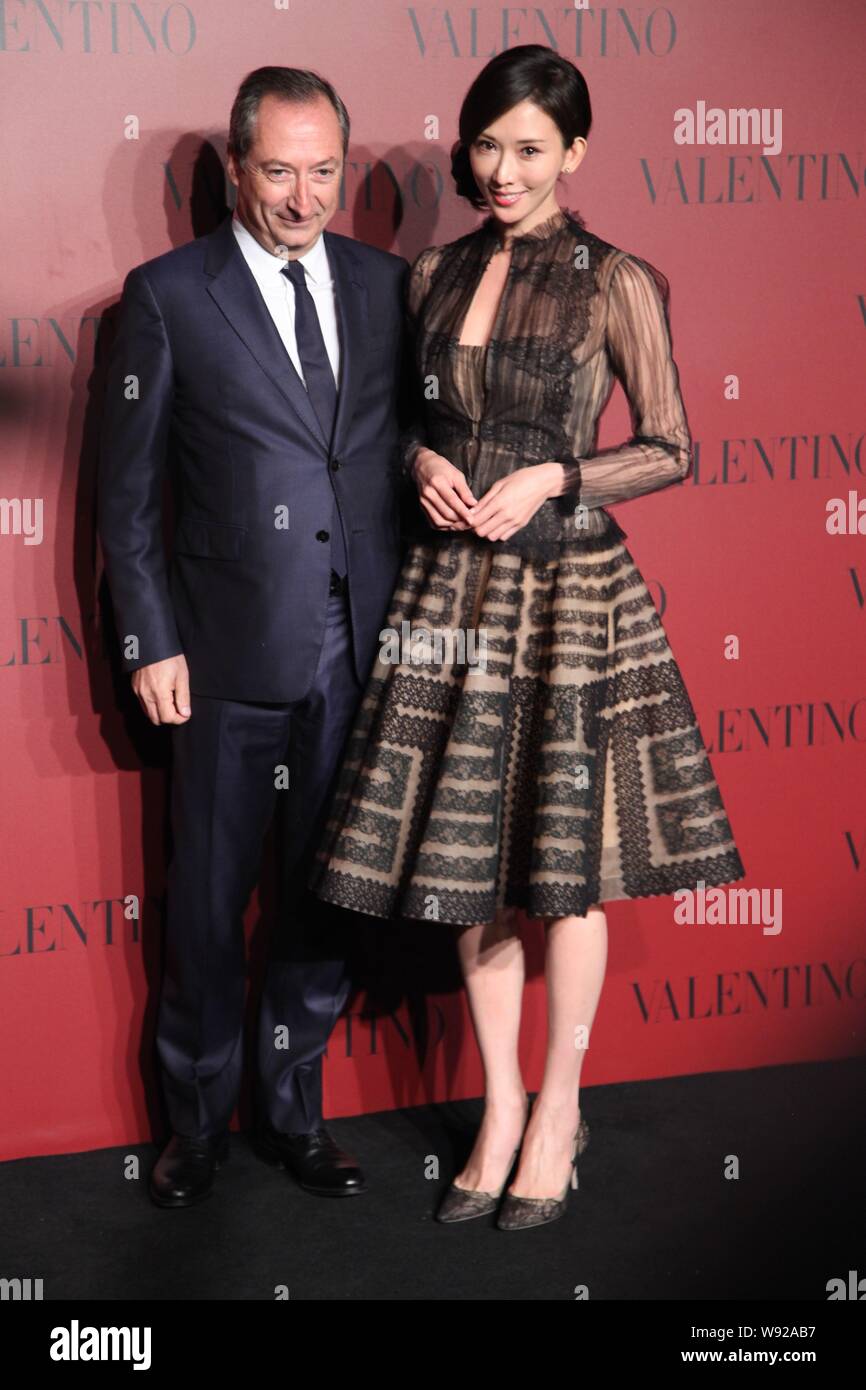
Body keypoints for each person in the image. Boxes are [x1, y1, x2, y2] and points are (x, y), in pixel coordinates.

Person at [308, 44, 747, 1231]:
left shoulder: (617, 280)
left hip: (565, 596)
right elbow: (401, 418)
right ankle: (497, 1107)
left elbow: (668, 445)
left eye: (529, 150)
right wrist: (421, 461)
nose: (500, 170)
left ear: (575, 154)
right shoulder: (431, 273)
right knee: (466, 874)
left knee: (562, 874)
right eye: (486, 147)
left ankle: (558, 1109)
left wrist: (556, 473)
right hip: (449, 595)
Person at [98, 66, 411, 1207]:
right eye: (277, 170)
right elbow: (127, 501)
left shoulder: (388, 288)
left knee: (324, 897)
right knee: (207, 903)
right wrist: (151, 641)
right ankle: (193, 1127)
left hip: (359, 650)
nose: (302, 194)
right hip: (223, 658)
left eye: (322, 169)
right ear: (236, 166)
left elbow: (395, 447)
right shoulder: (169, 294)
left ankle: (295, 1114)